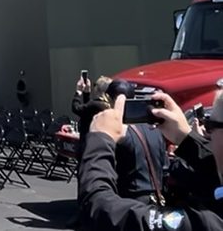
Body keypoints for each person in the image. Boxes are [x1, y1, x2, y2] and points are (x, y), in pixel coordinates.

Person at [81, 91, 223, 230]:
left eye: (210, 125)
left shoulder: (206, 223)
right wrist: (186, 138)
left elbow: (100, 210)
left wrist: (100, 140)